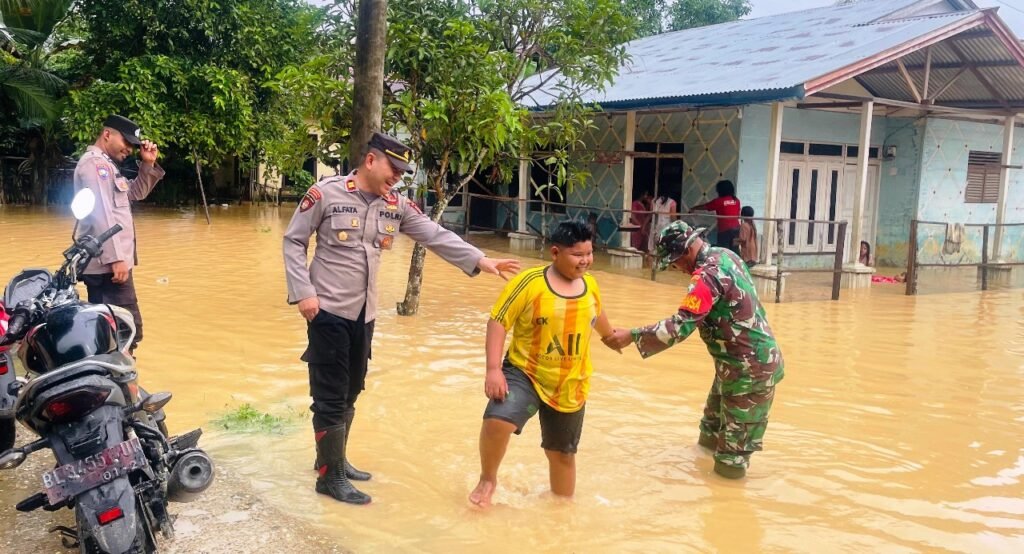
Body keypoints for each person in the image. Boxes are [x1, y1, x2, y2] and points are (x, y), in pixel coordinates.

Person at [283, 132, 520, 505]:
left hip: (365, 313)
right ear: (371, 160)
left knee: (351, 389)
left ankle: (333, 461)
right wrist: (304, 293)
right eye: (394, 168)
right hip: (326, 309)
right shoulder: (326, 193)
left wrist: (480, 260)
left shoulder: (395, 205)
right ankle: (330, 479)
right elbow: (294, 241)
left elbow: (435, 235)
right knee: (329, 396)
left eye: (403, 171)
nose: (398, 176)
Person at [603, 221, 784, 479]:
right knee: (709, 434)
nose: (677, 270)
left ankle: (726, 507)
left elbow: (680, 327)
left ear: (685, 253)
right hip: (732, 367)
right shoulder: (725, 254)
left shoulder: (706, 276)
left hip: (749, 374)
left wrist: (631, 336)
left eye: (674, 263)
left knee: (730, 463)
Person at [469, 220, 618, 508]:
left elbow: (597, 313)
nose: (585, 260)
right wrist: (493, 369)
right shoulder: (529, 283)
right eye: (577, 254)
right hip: (525, 373)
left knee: (562, 454)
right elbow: (498, 321)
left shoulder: (591, 285)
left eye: (589, 253)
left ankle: (561, 512)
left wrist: (611, 337)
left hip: (570, 382)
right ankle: (488, 479)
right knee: (497, 421)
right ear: (555, 252)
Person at [74, 115, 164, 353]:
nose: (129, 149)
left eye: (133, 145)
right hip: (108, 267)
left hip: (113, 265)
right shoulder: (96, 165)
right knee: (121, 333)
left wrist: (147, 164)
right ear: (107, 135)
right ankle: (122, 386)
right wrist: (116, 258)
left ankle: (124, 384)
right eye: (126, 142)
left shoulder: (108, 166)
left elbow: (135, 193)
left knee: (121, 332)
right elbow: (102, 213)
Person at [691, 180, 741, 253]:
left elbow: (706, 206)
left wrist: (694, 208)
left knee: (723, 251)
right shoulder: (736, 200)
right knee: (735, 250)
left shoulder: (719, 201)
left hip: (724, 230)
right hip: (736, 229)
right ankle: (737, 263)